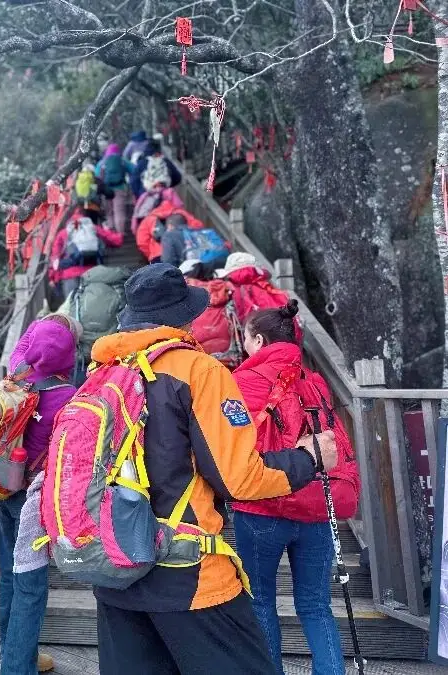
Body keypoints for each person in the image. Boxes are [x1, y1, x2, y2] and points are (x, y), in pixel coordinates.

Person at [86, 264, 338, 674]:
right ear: (185, 316)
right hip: (188, 573)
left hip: (116, 570)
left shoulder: (103, 371)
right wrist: (308, 459)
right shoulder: (198, 370)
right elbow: (239, 477)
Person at [231, 301, 360, 675]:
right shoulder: (314, 381)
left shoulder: (240, 382)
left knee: (260, 604)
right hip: (318, 503)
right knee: (317, 606)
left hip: (261, 506)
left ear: (259, 340)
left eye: (246, 339)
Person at [0, 316, 79, 674]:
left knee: (7, 578)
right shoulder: (69, 396)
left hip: (0, 488)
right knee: (30, 584)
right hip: (32, 499)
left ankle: (17, 654)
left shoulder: (13, 381)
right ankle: (17, 667)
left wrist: (43, 326)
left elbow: (26, 345)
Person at [49, 209, 123, 300]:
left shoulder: (63, 233)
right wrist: (110, 230)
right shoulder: (93, 228)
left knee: (71, 307)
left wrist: (53, 277)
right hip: (92, 273)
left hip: (69, 275)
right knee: (93, 306)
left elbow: (55, 259)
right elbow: (117, 241)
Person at [135, 199, 203, 263]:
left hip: (158, 255)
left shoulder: (149, 218)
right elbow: (198, 226)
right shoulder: (181, 213)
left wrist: (150, 254)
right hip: (183, 252)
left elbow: (142, 242)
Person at [95, 144, 134, 234]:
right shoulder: (122, 161)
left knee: (109, 212)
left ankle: (111, 233)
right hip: (120, 188)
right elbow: (134, 170)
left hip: (106, 190)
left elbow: (97, 176)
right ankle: (120, 233)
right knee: (119, 211)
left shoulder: (102, 163)